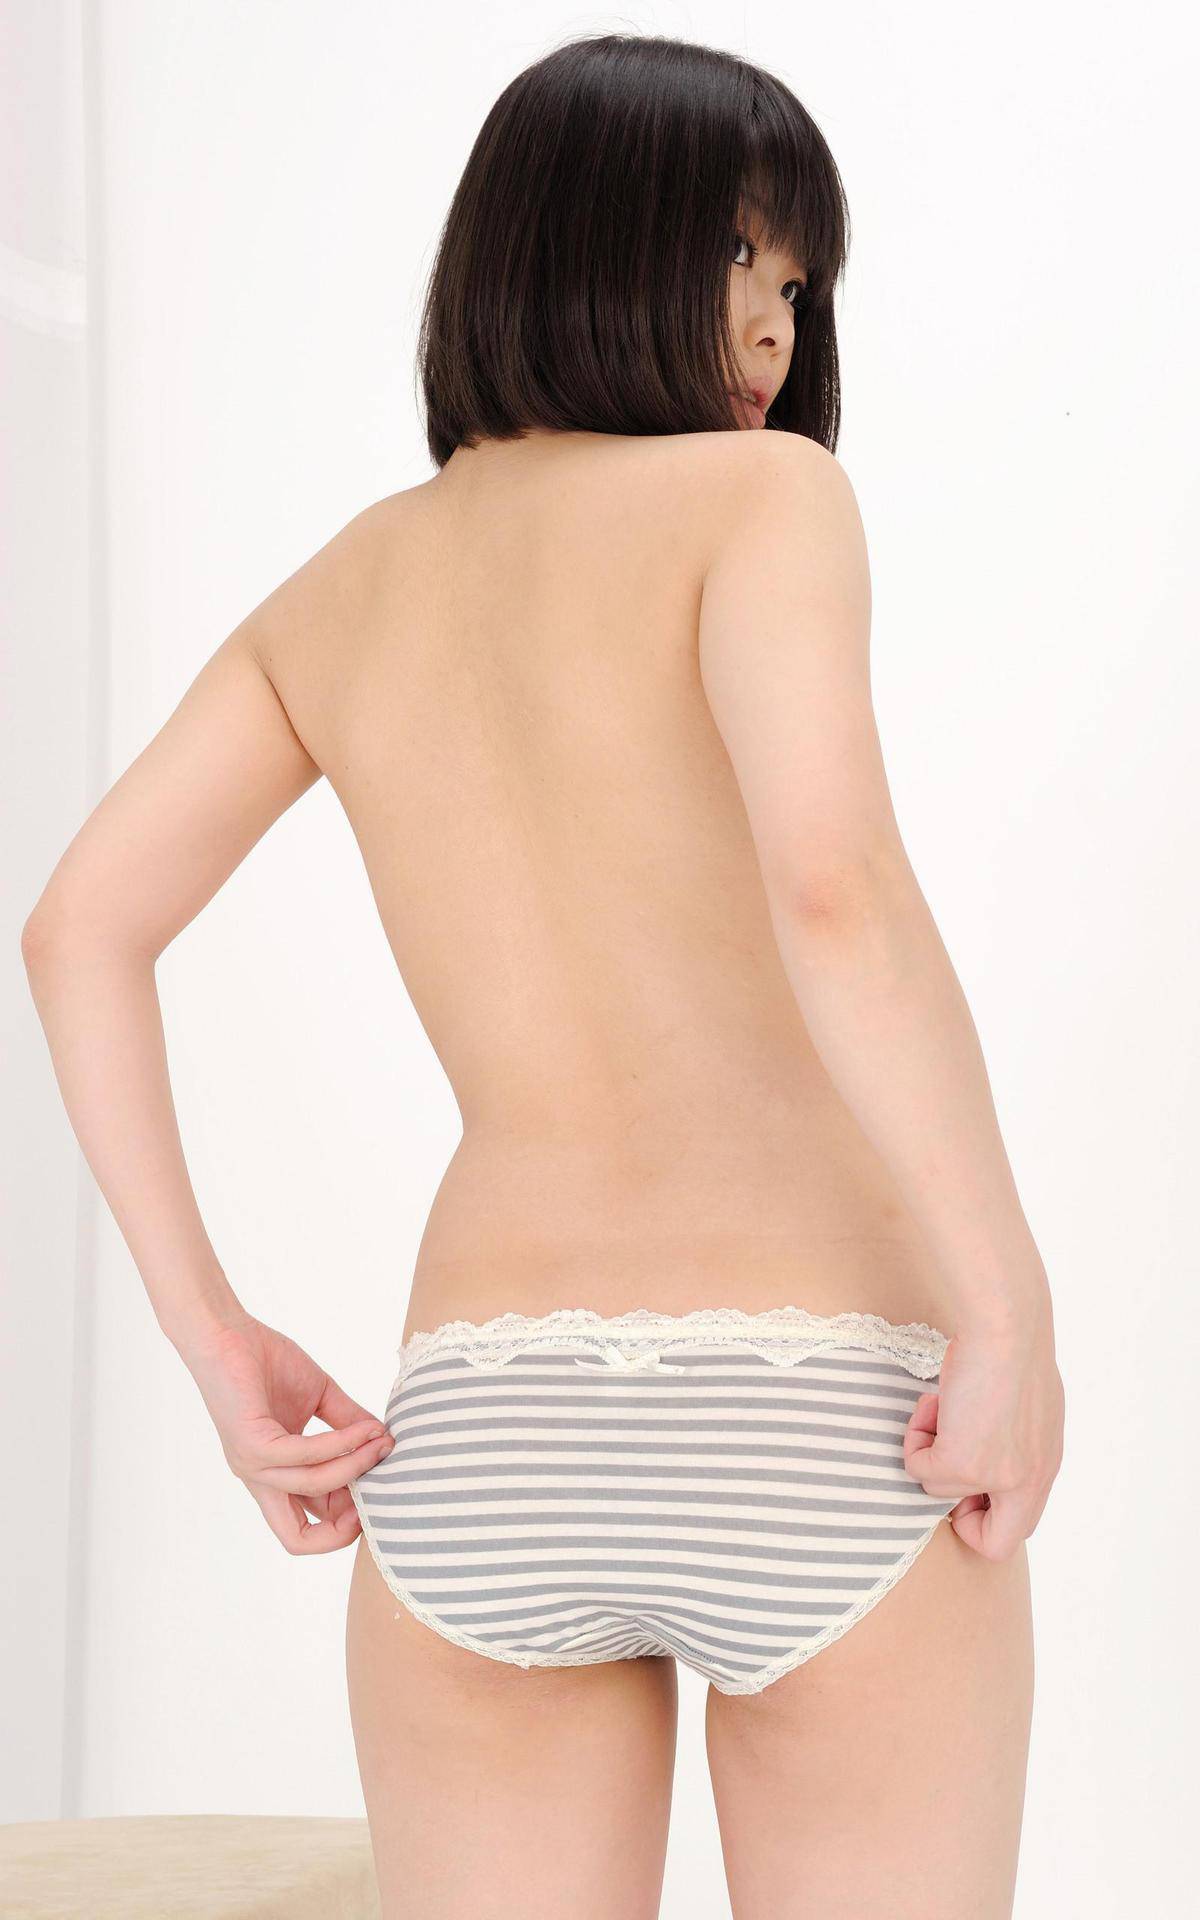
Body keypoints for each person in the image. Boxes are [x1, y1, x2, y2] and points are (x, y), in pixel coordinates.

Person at [21, 30, 1064, 1920]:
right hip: (818, 1403)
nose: (773, 324)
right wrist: (1008, 1312)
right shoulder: (763, 502)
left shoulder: (347, 585)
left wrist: (215, 1338)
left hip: (480, 1430)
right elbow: (836, 893)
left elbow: (78, 926)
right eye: (737, 252)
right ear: (585, 236)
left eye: (797, 279)